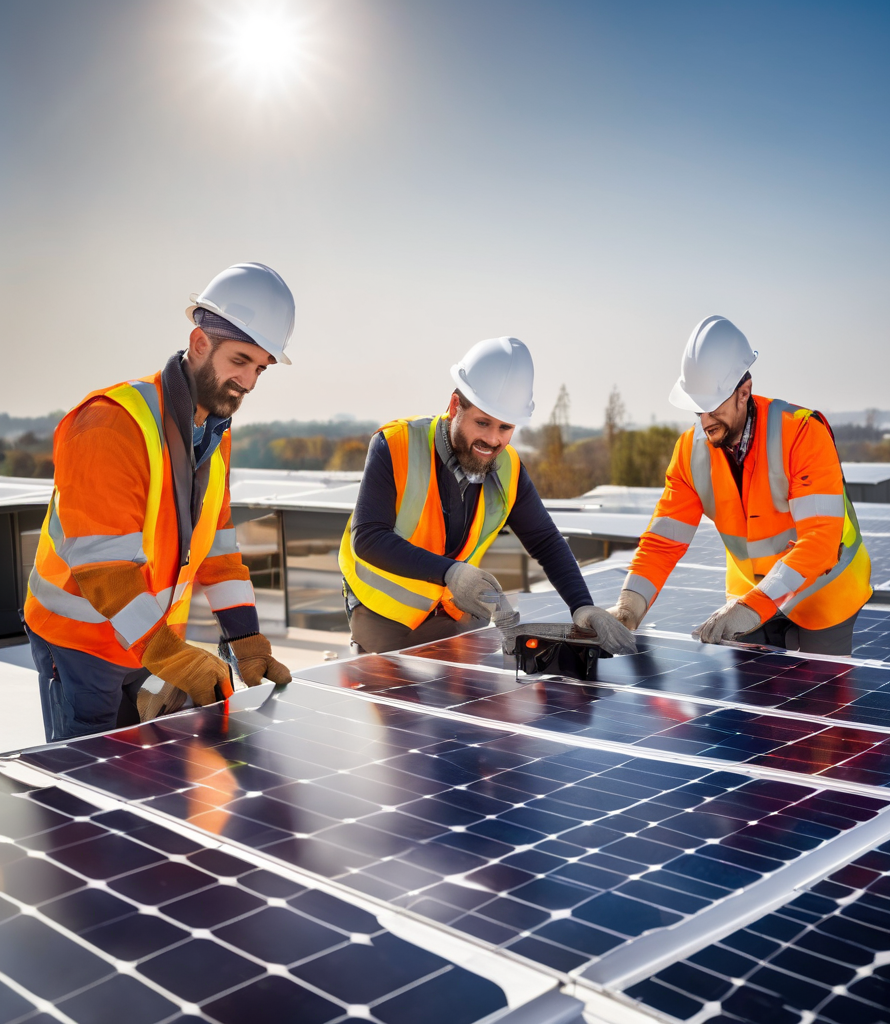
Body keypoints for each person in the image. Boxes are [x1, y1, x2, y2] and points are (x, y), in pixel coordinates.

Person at [24, 263, 295, 742]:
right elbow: (104, 567)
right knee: (89, 782)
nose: (249, 382)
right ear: (199, 343)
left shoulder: (212, 433)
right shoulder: (110, 424)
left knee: (137, 772)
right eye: (240, 361)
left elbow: (218, 547)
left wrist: (244, 637)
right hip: (80, 642)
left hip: (146, 637)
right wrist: (168, 652)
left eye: (259, 369)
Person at [339, 336, 635, 656]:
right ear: (455, 407)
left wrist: (581, 606)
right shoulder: (394, 445)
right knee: (397, 698)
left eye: (505, 427)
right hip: (384, 615)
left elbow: (546, 541)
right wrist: (451, 573)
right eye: (482, 422)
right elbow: (368, 538)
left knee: (475, 698)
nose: (493, 439)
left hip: (457, 611)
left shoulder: (508, 469)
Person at [609, 315, 872, 656]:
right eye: (696, 408)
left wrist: (755, 606)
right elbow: (663, 543)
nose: (704, 420)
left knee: (817, 700)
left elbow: (821, 540)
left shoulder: (803, 433)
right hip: (748, 595)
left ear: (744, 392)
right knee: (752, 703)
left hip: (823, 593)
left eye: (712, 405)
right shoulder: (690, 454)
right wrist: (628, 608)